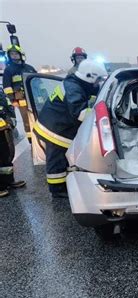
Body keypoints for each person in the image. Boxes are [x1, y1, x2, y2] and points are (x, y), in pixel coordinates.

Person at [33, 59, 107, 198]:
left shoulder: (76, 84)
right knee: (56, 160)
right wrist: (101, 113)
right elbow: (80, 113)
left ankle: (64, 183)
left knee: (61, 158)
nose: (98, 83)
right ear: (89, 76)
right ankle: (57, 189)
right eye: (98, 80)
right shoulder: (73, 88)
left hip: (57, 124)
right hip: (53, 129)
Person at [2, 45, 36, 143]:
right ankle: (31, 141)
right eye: (12, 54)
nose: (14, 56)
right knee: (27, 121)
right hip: (21, 100)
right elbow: (7, 87)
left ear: (20, 54)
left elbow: (38, 82)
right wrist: (13, 100)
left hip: (34, 99)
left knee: (39, 118)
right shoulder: (9, 70)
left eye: (16, 53)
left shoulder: (29, 68)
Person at [0, 89, 26, 197]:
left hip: (3, 127)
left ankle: (8, 181)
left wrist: (11, 119)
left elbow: (7, 103)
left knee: (6, 155)